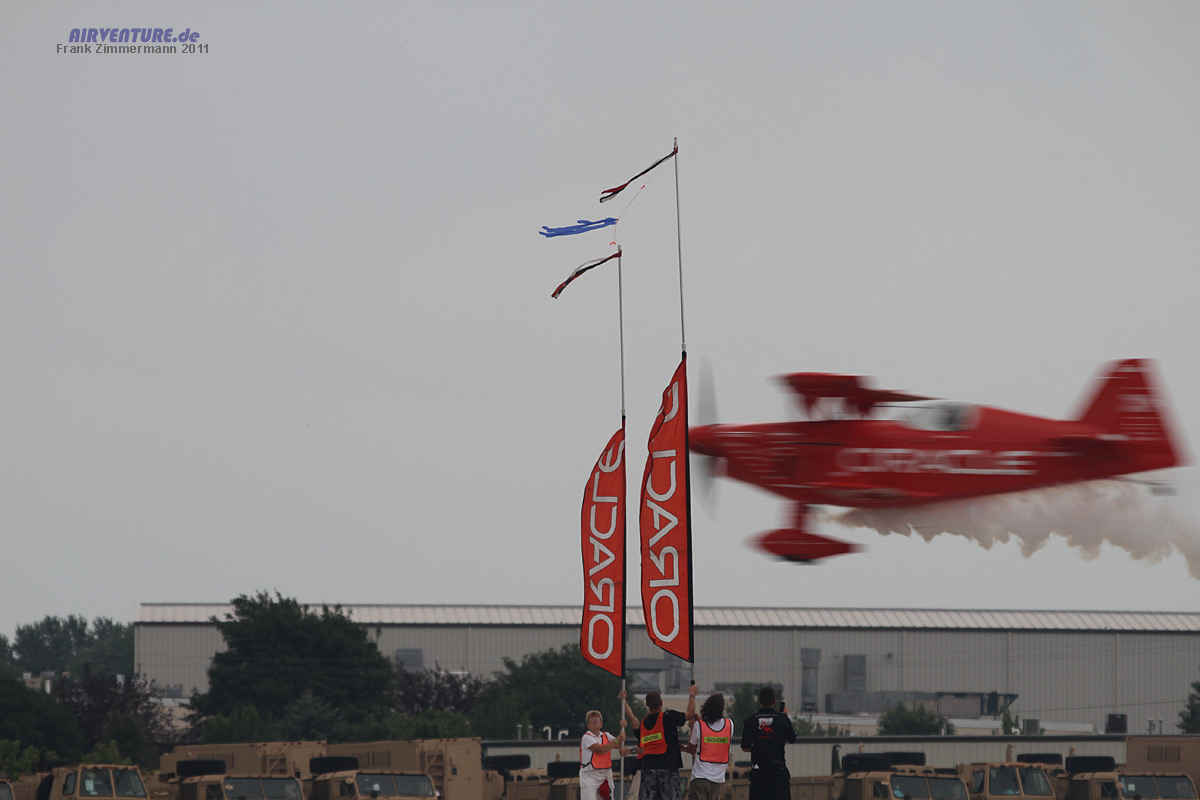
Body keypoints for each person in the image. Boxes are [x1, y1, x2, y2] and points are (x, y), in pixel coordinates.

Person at [740, 686, 796, 800]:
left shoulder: (751, 721)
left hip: (759, 772)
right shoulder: (782, 719)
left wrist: (759, 747)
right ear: (774, 701)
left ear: (759, 701)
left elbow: (745, 747)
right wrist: (785, 717)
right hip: (778, 771)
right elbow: (792, 739)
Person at [635, 689, 689, 800]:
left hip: (648, 768)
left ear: (647, 705)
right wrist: (692, 695)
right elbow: (690, 714)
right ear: (661, 702)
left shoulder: (643, 723)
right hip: (667, 767)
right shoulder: (668, 717)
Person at [685, 688, 733, 800]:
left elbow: (691, 749)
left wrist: (693, 727)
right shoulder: (729, 725)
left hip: (700, 776)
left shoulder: (699, 725)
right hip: (718, 780)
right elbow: (715, 734)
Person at [581, 708, 629, 800]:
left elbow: (618, 744)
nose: (594, 722)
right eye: (592, 720)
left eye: (597, 720)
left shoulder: (606, 735)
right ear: (588, 725)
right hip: (590, 775)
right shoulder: (587, 737)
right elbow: (600, 749)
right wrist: (618, 739)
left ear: (601, 724)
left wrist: (622, 730)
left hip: (605, 774)